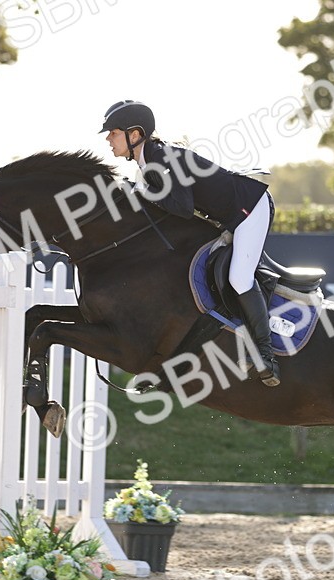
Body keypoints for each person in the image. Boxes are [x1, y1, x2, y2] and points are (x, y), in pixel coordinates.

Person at [98, 100, 280, 387]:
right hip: (229, 215)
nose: (108, 139)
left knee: (239, 277)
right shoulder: (150, 160)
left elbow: (182, 207)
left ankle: (266, 354)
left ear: (135, 135)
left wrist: (140, 190)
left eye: (113, 133)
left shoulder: (160, 158)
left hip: (249, 208)